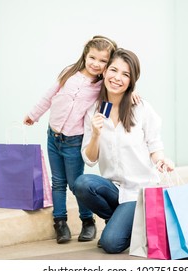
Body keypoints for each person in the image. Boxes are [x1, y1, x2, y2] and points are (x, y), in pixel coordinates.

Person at [73, 48, 174, 254]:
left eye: (125, 74)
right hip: (115, 189)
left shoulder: (141, 108)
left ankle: (126, 224)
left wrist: (162, 161)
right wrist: (95, 134)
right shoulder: (95, 110)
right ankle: (118, 221)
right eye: (114, 70)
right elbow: (90, 159)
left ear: (131, 80)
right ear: (105, 72)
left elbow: (154, 145)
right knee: (82, 184)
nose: (117, 78)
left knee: (111, 244)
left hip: (139, 191)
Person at [23, 36, 119, 244]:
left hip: (74, 142)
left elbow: (115, 97)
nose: (96, 64)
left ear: (108, 63)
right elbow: (49, 96)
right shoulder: (69, 73)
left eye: (103, 61)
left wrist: (134, 93)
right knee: (58, 182)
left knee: (76, 185)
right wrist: (34, 114)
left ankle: (88, 221)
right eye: (93, 57)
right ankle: (60, 222)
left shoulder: (102, 85)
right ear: (85, 53)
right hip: (53, 137)